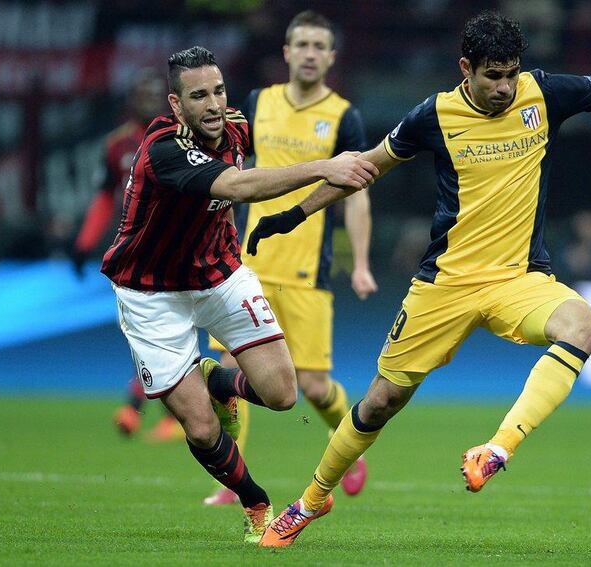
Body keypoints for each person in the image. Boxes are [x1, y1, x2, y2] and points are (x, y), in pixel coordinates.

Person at [245, 11, 591, 547]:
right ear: (465, 68)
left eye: (512, 73)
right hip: (445, 285)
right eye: (493, 75)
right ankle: (311, 500)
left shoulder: (544, 95)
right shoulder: (433, 115)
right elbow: (364, 168)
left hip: (519, 279)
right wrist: (293, 215)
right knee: (379, 403)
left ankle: (496, 449)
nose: (505, 87)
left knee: (584, 327)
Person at [100, 45, 378, 543]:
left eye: (218, 91)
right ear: (176, 103)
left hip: (218, 275)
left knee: (282, 393)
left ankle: (214, 378)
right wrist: (324, 166)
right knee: (203, 429)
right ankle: (256, 504)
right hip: (150, 292)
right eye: (198, 96)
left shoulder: (236, 127)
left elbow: (246, 170)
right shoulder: (164, 148)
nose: (212, 104)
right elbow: (240, 186)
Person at [203, 9, 377, 507]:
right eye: (300, 44)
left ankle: (349, 446)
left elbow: (358, 191)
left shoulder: (345, 115)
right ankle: (233, 481)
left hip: (306, 271)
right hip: (246, 264)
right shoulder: (258, 103)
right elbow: (231, 171)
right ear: (286, 52)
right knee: (230, 372)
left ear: (331, 57)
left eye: (318, 46)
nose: (308, 53)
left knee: (316, 387)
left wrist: (361, 262)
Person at [69, 69, 183, 441]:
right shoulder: (116, 145)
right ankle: (163, 410)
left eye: (156, 93)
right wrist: (84, 243)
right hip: (134, 253)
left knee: (166, 331)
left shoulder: (182, 139)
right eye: (142, 93)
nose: (149, 99)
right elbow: (105, 197)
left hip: (179, 249)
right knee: (146, 333)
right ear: (130, 100)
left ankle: (149, 408)